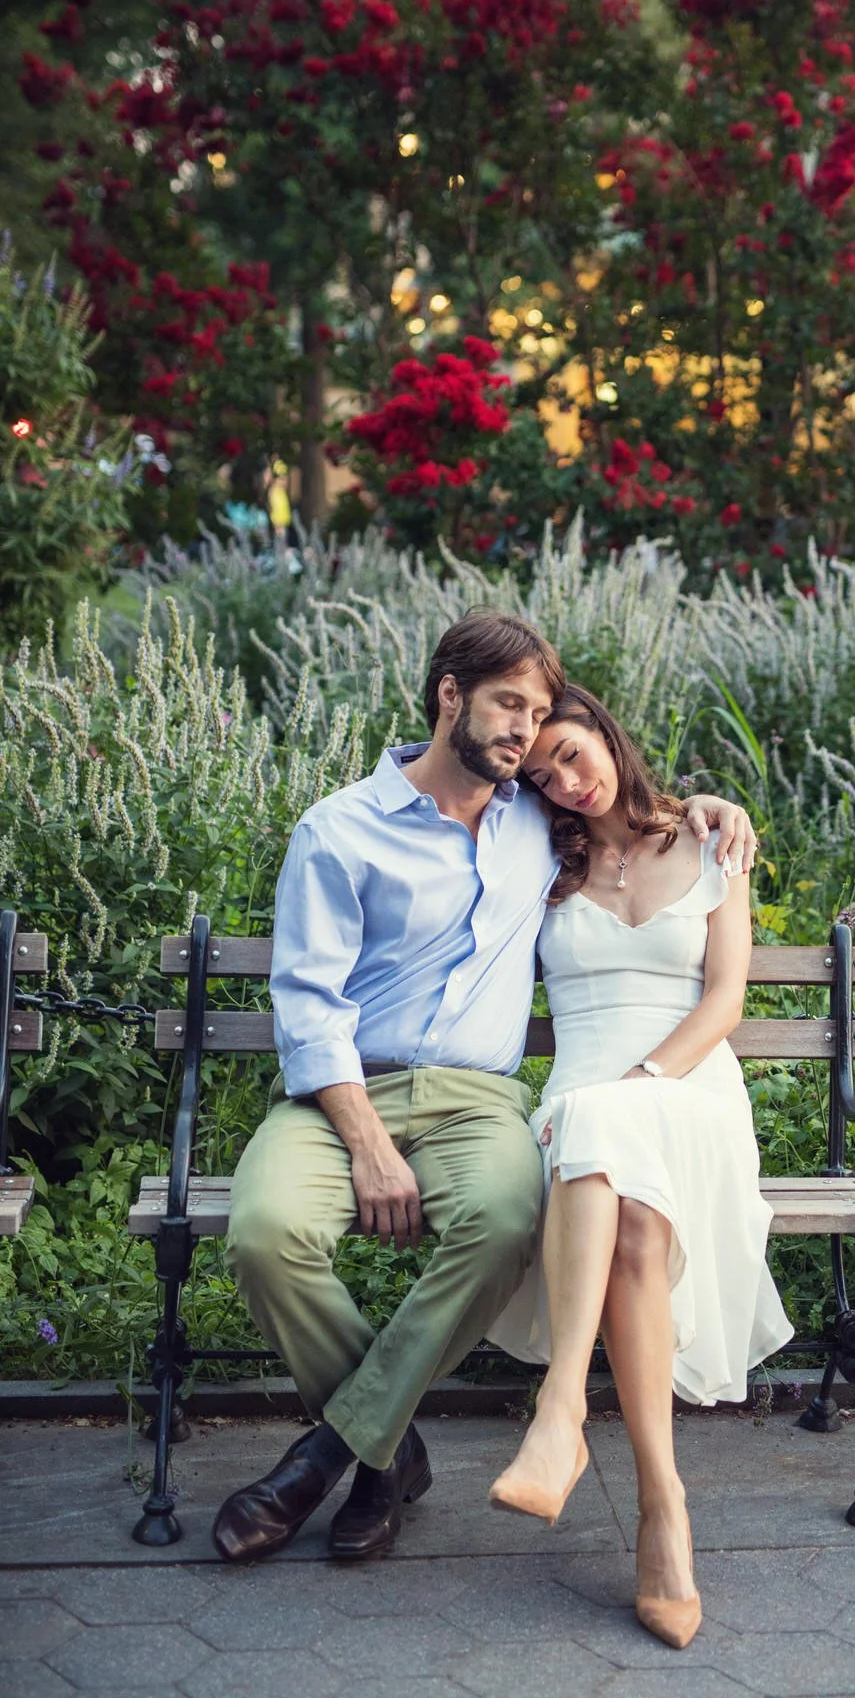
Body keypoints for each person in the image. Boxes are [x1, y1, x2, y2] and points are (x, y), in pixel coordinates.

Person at [212, 611, 756, 1564]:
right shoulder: (339, 831)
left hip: (476, 1103)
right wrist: (369, 1146)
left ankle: (327, 1457)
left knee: (508, 1219)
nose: (525, 735)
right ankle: (379, 1455)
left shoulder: (538, 826)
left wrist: (711, 802)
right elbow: (307, 1005)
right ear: (448, 695)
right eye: (509, 705)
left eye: (541, 714)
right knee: (263, 1235)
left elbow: (632, 814)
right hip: (341, 1097)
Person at [487, 686, 793, 1649]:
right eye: (542, 777)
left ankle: (561, 1413)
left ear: (607, 733)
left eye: (572, 755)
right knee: (628, 1211)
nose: (566, 785)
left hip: (688, 1089)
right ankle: (664, 1509)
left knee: (605, 1128)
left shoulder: (710, 842)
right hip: (580, 1111)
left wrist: (642, 1082)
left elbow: (726, 999)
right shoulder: (537, 860)